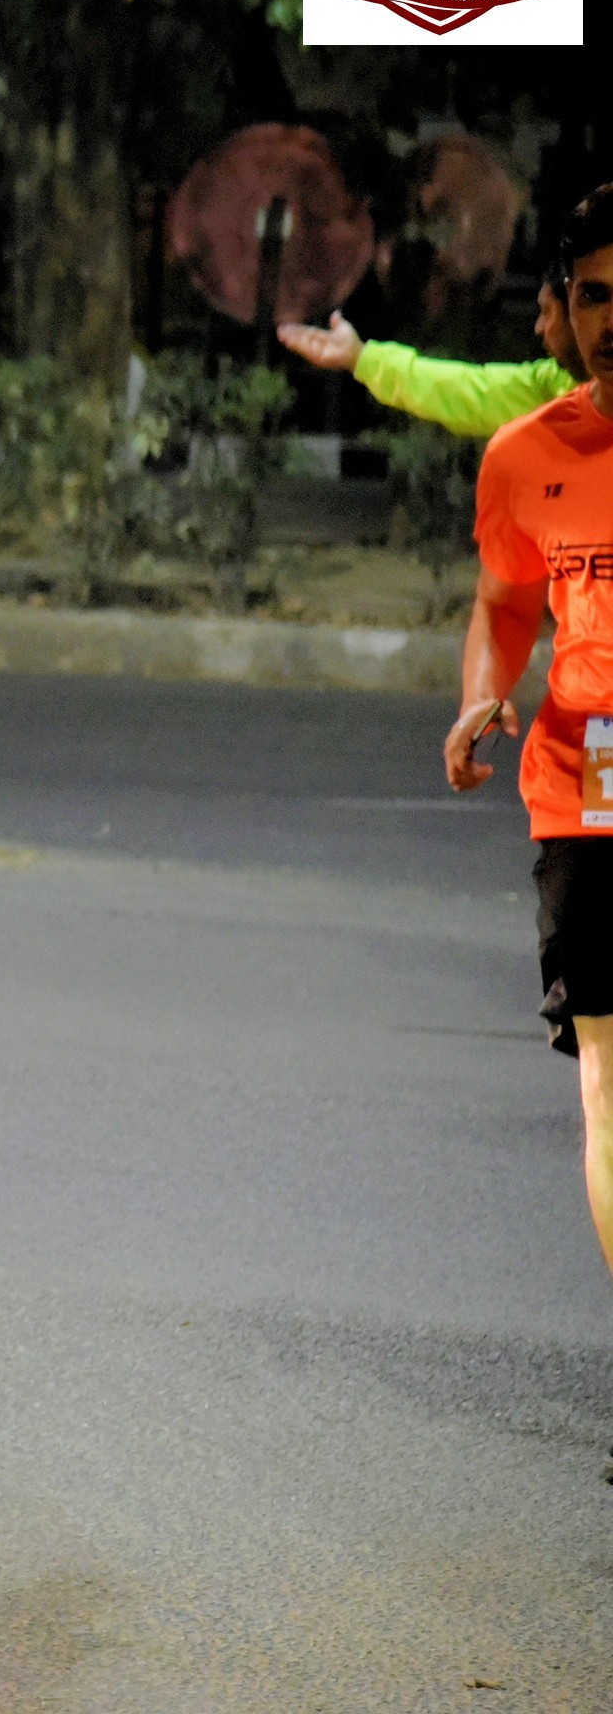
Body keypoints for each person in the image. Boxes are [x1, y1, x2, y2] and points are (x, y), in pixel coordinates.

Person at [442, 189, 613, 1478]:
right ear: (563, 309)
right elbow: (505, 604)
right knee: (609, 1080)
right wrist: (479, 694)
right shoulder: (525, 456)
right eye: (596, 293)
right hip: (585, 784)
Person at [278, 230, 592, 437]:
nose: (539, 327)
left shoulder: (571, 391)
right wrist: (361, 357)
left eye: (548, 312)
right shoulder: (559, 387)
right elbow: (471, 392)